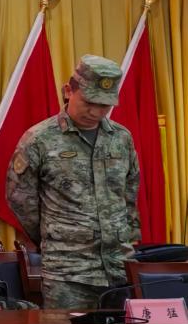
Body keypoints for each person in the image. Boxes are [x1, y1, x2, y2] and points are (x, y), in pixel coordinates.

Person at [7, 55, 140, 310]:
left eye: (105, 105)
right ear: (69, 91)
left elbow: (130, 192)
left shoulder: (121, 138)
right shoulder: (39, 139)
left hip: (119, 268)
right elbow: (20, 199)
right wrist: (56, 236)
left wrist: (124, 240)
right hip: (68, 274)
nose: (96, 112)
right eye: (89, 102)